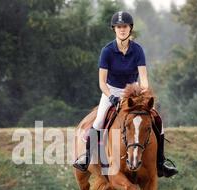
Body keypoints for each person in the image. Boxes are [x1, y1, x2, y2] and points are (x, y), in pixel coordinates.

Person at [73, 11, 178, 178]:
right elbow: (102, 82)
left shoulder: (137, 50)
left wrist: (143, 93)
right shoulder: (107, 51)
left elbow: (143, 78)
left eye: (125, 26)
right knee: (99, 120)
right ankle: (86, 157)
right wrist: (111, 97)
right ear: (114, 29)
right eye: (119, 27)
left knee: (157, 119)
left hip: (133, 91)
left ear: (130, 29)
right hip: (111, 91)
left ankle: (160, 162)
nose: (122, 29)